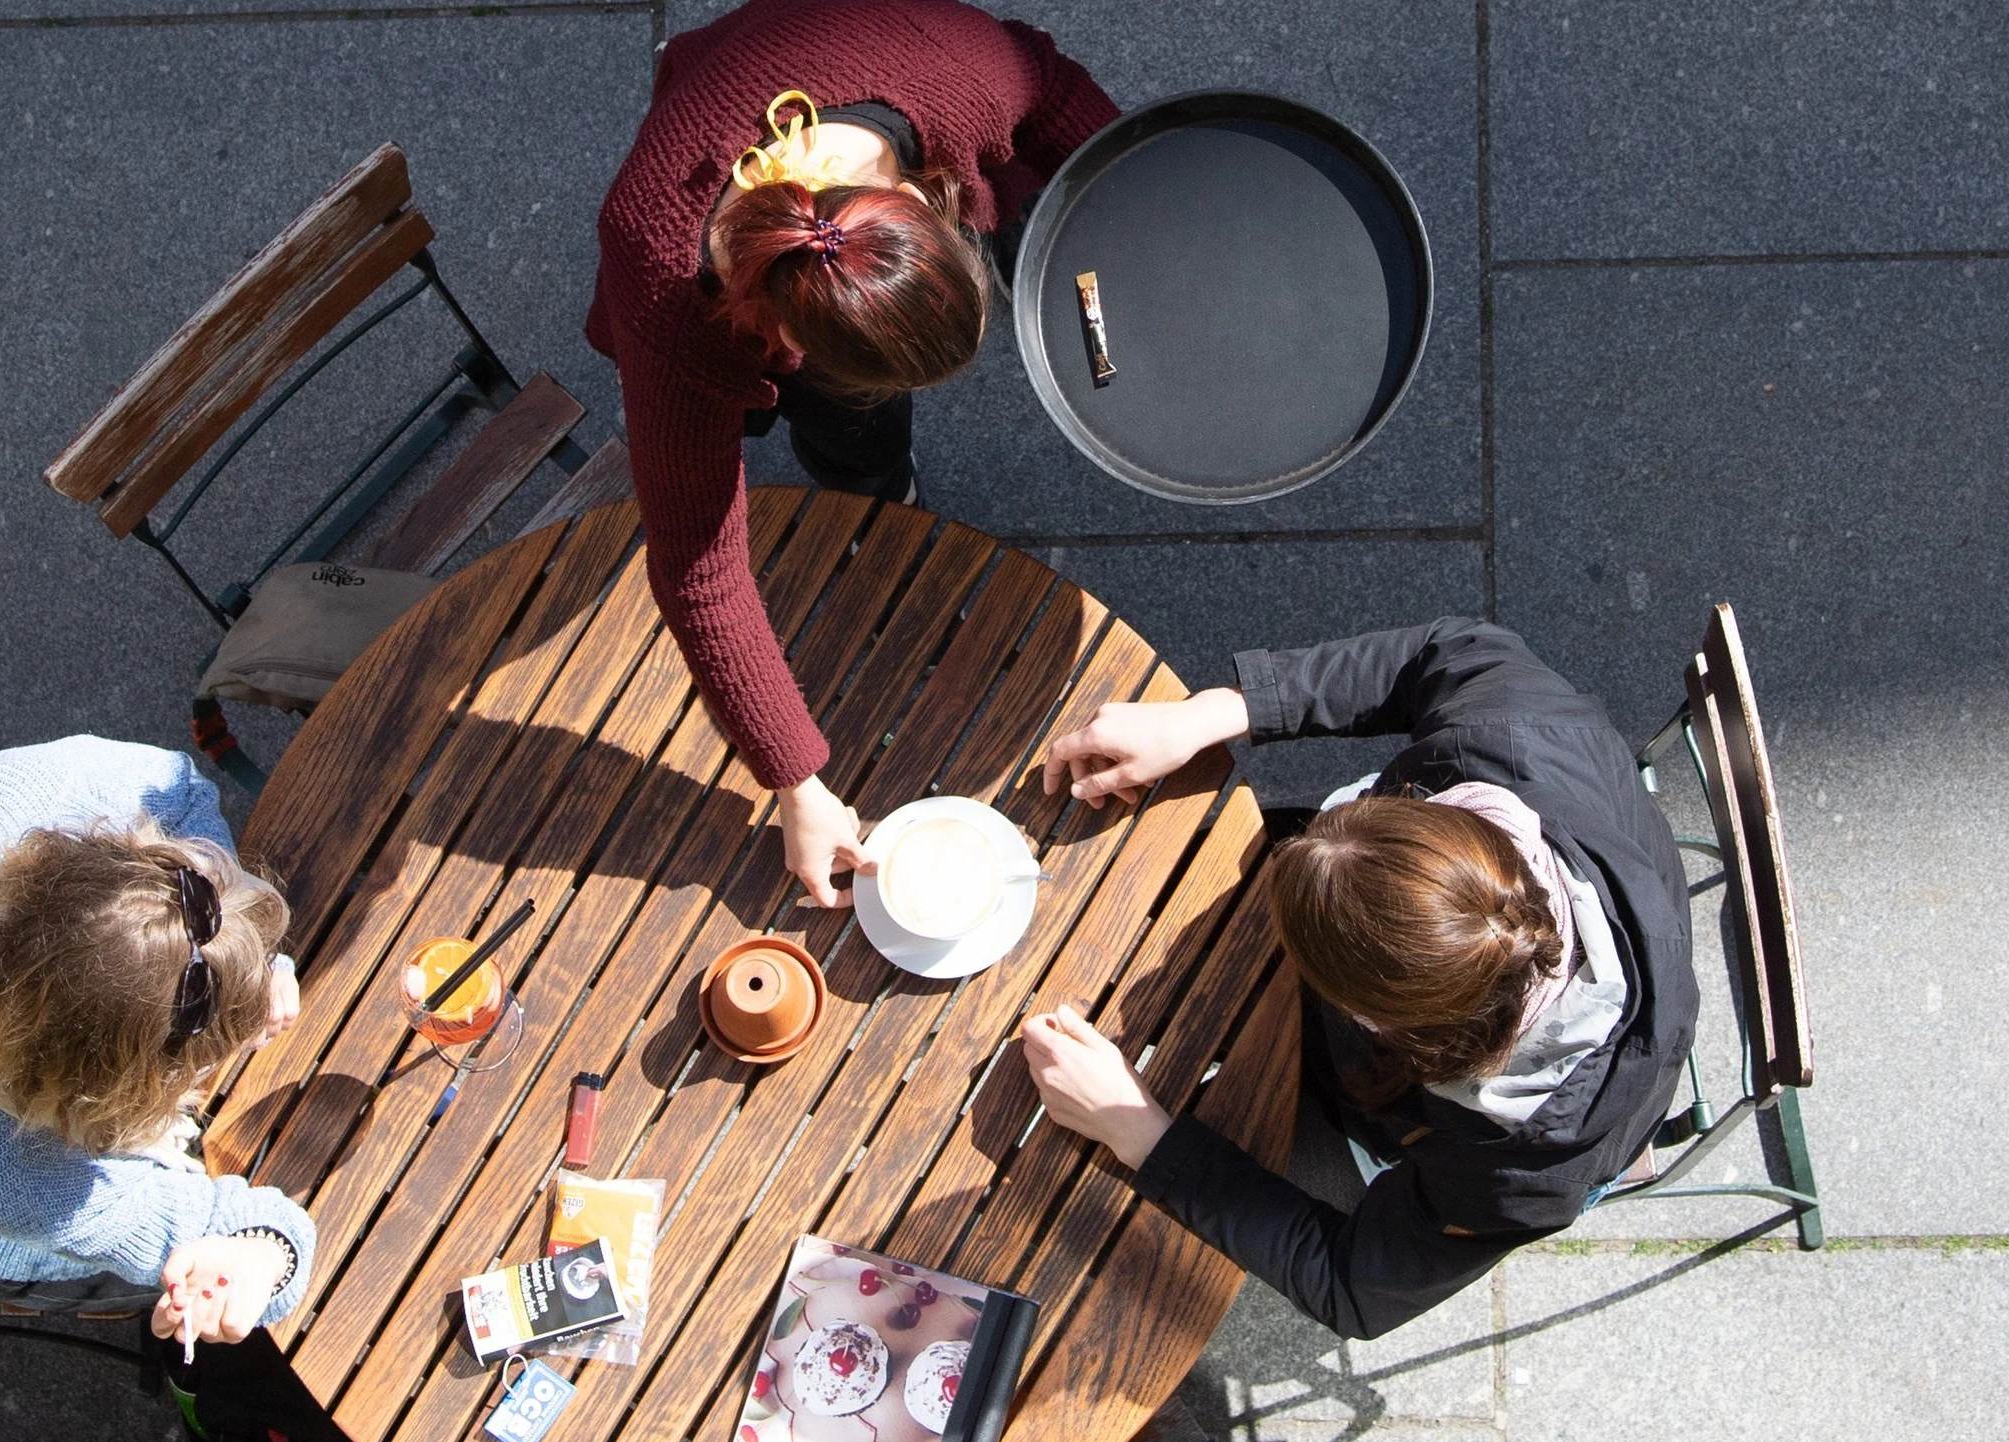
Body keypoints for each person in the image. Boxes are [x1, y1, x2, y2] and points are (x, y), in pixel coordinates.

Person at [1019, 619, 1697, 1338]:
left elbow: (1354, 1289)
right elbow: (1451, 650)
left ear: (1378, 1024)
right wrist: (1216, 713)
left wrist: (1139, 1134)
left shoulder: (1517, 1172)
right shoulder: (1516, 737)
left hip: (1415, 1116)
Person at [588, 0, 1120, 907]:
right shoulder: (669, 305)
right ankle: (871, 480)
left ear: (921, 203)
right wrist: (795, 782)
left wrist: (1132, 212)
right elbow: (697, 572)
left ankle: (880, 488)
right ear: (783, 337)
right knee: (847, 430)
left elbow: (1046, 82)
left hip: (826, 48)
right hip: (696, 173)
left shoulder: (954, 74)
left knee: (864, 421)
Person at [0, 736, 317, 1348]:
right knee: (134, 1278)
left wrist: (237, 948)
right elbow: (248, 1230)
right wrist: (256, 1260)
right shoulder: (18, 1176)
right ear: (115, 1099)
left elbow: (179, 788)